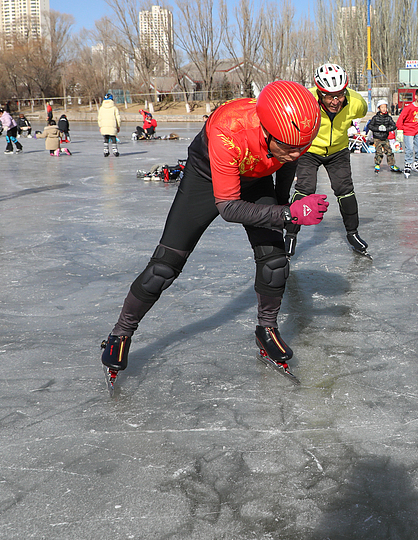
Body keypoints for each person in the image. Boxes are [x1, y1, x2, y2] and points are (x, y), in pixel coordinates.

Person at [100, 80, 328, 379]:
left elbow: (284, 166)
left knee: (274, 262)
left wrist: (285, 207)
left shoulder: (292, 136)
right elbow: (229, 208)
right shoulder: (229, 130)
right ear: (266, 131)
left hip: (255, 178)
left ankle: (267, 329)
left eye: (302, 148)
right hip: (207, 176)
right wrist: (288, 213)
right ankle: (121, 333)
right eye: (287, 148)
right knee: (165, 267)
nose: (296, 155)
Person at [285, 64, 370, 258]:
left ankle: (353, 233)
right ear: (320, 92)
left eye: (339, 95)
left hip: (338, 151)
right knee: (305, 190)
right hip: (310, 150)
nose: (335, 101)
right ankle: (290, 235)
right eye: (329, 96)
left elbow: (360, 113)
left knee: (345, 191)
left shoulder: (357, 103)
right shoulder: (305, 101)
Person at [366, 99, 400, 173]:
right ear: (379, 108)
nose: (384, 109)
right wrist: (377, 129)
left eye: (385, 107)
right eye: (382, 107)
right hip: (377, 137)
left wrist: (386, 129)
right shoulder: (375, 118)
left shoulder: (388, 118)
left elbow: (394, 126)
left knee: (389, 151)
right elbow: (370, 126)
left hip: (385, 137)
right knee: (379, 152)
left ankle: (392, 165)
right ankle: (377, 164)